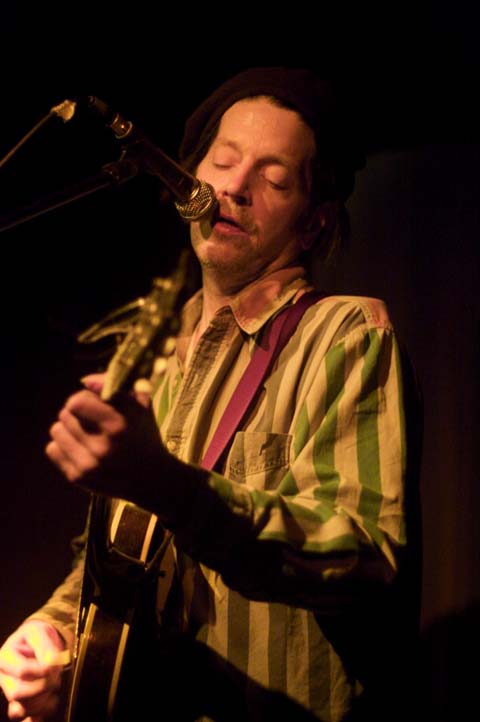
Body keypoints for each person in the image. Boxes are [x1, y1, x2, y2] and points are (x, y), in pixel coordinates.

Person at [0, 67, 422, 721]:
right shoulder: (159, 355)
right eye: (222, 162)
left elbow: (365, 557)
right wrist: (49, 638)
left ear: (313, 226)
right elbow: (115, 565)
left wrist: (170, 484)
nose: (234, 188)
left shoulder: (344, 334)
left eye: (274, 179)